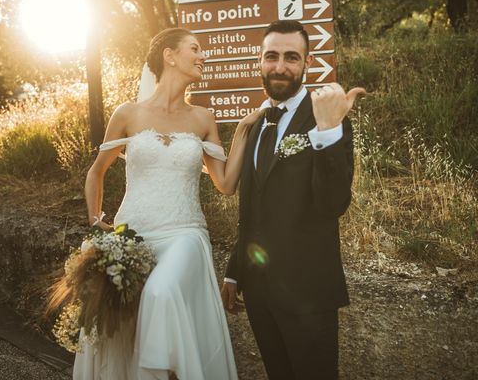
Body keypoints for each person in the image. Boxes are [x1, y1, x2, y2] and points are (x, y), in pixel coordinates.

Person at [74, 27, 260, 380]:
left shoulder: (203, 118)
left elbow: (225, 185)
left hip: (185, 234)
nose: (203, 55)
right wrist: (97, 220)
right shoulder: (127, 113)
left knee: (161, 292)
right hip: (132, 237)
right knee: (126, 333)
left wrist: (242, 132)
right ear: (169, 56)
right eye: (195, 48)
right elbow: (97, 172)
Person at [221, 20, 365, 380]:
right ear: (259, 60)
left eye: (291, 57)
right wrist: (235, 269)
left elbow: (334, 204)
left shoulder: (328, 119)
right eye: (271, 56)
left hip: (307, 293)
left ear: (306, 62)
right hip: (260, 292)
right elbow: (254, 209)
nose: (280, 66)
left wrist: (329, 131)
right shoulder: (256, 125)